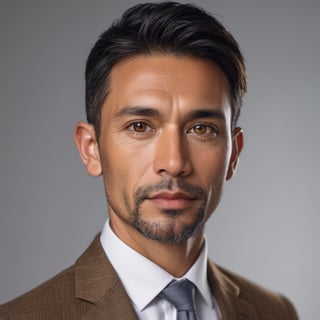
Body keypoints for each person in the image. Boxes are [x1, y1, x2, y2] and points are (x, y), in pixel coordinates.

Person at [0, 2, 299, 319]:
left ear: (234, 154)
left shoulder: (276, 311)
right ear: (91, 148)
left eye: (201, 128)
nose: (173, 162)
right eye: (140, 127)